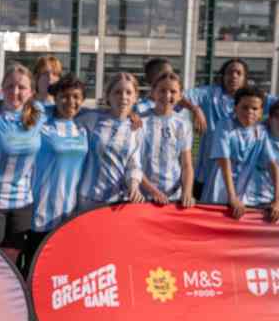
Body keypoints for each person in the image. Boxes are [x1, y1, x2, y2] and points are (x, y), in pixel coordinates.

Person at [0, 62, 44, 266]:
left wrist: (130, 116)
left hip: (23, 202)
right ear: (2, 89)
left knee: (16, 261)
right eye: (9, 86)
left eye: (22, 87)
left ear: (32, 92)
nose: (15, 92)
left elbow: (69, 111)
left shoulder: (40, 113)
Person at [29, 74, 89, 265]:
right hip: (40, 209)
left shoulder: (84, 124)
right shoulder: (43, 121)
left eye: (76, 97)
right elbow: (19, 109)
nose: (70, 101)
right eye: (64, 96)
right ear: (55, 98)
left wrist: (132, 115)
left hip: (70, 211)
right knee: (32, 264)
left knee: (60, 266)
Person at [200, 86, 279, 221]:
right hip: (221, 190)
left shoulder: (260, 132)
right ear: (235, 107)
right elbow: (223, 161)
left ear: (261, 112)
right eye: (245, 107)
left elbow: (273, 164)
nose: (250, 112)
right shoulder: (225, 125)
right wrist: (232, 196)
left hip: (245, 193)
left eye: (255, 109)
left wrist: (278, 200)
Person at [185, 58, 258, 199]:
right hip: (206, 172)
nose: (234, 76)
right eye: (230, 72)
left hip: (240, 178)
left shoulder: (252, 100)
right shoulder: (208, 94)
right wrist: (195, 109)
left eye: (239, 73)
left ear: (245, 78)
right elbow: (180, 95)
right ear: (223, 76)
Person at [76, 72, 146, 210]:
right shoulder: (90, 118)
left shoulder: (136, 127)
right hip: (89, 199)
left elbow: (134, 165)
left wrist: (134, 186)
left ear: (135, 97)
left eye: (128, 92)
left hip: (120, 201)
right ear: (108, 95)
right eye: (117, 92)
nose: (123, 97)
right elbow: (65, 111)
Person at [138, 71, 196, 207]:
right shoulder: (141, 121)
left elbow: (186, 164)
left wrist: (187, 192)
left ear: (180, 95)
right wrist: (152, 191)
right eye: (162, 90)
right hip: (145, 196)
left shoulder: (183, 124)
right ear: (153, 93)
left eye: (173, 91)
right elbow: (134, 164)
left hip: (173, 198)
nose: (167, 95)